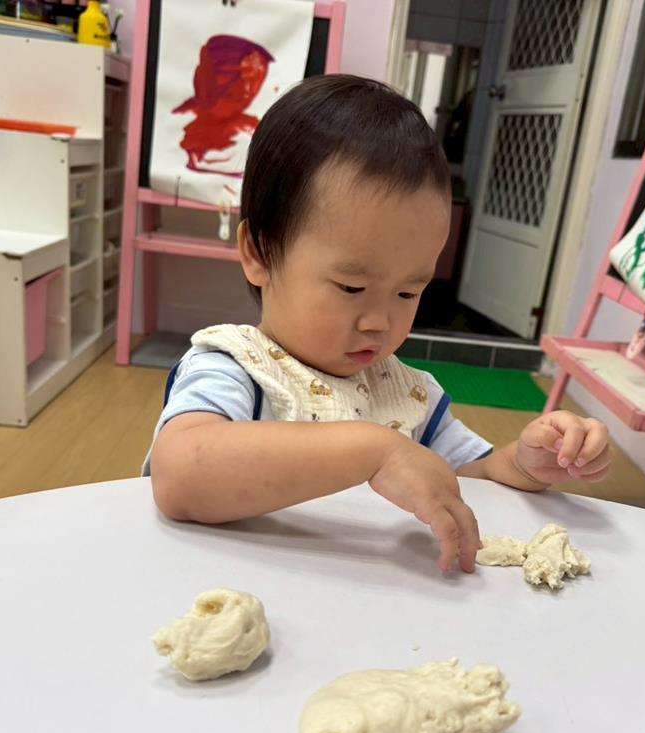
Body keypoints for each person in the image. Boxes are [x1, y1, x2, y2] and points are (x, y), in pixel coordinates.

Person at [147, 75, 613, 573]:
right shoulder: (236, 367)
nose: (379, 321)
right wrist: (373, 451)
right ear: (259, 253)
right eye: (352, 287)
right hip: (237, 588)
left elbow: (464, 479)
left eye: (408, 293)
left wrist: (523, 464)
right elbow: (181, 476)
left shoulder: (408, 395)